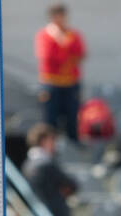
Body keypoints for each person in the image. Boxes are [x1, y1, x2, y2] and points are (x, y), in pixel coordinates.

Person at [34, 3, 85, 141]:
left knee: (72, 117)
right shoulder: (45, 35)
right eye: (57, 16)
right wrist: (63, 45)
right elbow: (48, 57)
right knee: (50, 119)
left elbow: (80, 54)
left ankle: (73, 145)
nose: (60, 20)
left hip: (70, 82)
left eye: (62, 16)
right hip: (51, 83)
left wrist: (63, 44)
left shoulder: (72, 35)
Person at [22, 123, 79, 216]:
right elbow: (72, 185)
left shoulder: (27, 165)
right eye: (52, 139)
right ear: (43, 141)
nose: (55, 144)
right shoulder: (46, 164)